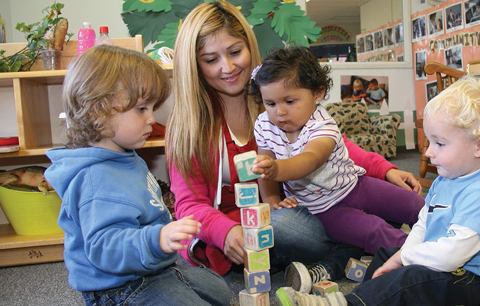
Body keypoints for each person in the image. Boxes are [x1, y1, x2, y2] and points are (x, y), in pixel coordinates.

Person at [166, 0, 422, 288]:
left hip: (300, 206)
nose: (227, 67)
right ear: (195, 65)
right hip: (249, 224)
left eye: (235, 52)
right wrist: (225, 232)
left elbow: (332, 146)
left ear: (249, 47)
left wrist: (385, 170)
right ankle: (352, 246)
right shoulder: (190, 126)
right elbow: (189, 204)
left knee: (351, 206)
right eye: (211, 60)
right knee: (296, 227)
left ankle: (351, 246)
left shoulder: (275, 99)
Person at [277, 76, 480, 306]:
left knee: (409, 277)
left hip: (475, 280)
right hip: (448, 264)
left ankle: (350, 304)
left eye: (440, 144)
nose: (429, 153)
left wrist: (404, 258)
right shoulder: (446, 180)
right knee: (386, 255)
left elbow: (452, 255)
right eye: (429, 142)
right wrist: (400, 255)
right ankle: (374, 296)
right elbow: (423, 224)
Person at [44, 45, 230, 306]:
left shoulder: (125, 155)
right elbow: (105, 248)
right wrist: (158, 239)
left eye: (152, 108)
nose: (152, 118)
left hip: (152, 269)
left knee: (222, 292)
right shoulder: (96, 178)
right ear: (98, 111)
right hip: (118, 289)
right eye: (141, 109)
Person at [250, 46, 424, 258]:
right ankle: (423, 257)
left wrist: (276, 169)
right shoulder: (264, 125)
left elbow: (311, 159)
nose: (280, 112)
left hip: (356, 186)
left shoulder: (323, 124)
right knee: (375, 231)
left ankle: (449, 232)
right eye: (270, 103)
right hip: (324, 210)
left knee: (411, 202)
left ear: (318, 93)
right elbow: (264, 166)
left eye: (289, 101)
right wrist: (272, 200)